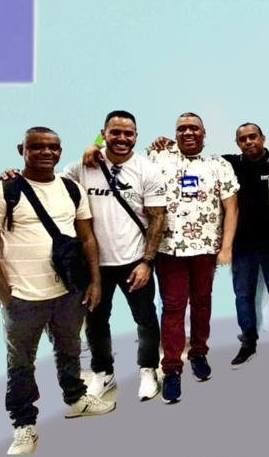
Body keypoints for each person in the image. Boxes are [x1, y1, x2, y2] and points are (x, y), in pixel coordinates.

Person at [0, 127, 113, 455]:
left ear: (60, 151)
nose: (46, 152)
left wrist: (94, 282)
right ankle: (24, 424)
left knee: (69, 349)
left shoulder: (71, 189)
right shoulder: (1, 192)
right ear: (21, 149)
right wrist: (7, 297)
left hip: (68, 292)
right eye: (37, 146)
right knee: (21, 363)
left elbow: (87, 238)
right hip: (24, 298)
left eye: (53, 147)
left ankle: (76, 398)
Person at [62, 111, 168, 403]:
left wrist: (146, 262)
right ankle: (103, 372)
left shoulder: (147, 170)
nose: (122, 138)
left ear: (136, 136)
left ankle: (148, 370)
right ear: (104, 133)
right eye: (115, 132)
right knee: (96, 321)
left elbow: (158, 218)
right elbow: (49, 187)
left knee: (145, 318)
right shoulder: (82, 167)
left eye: (128, 133)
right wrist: (12, 176)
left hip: (134, 260)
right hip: (94, 264)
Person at [147, 113, 239, 404]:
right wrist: (96, 142)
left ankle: (199, 352)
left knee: (201, 303)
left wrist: (226, 247)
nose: (188, 132)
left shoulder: (218, 165)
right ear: (175, 133)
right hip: (169, 250)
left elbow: (231, 209)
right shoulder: (157, 158)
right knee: (173, 307)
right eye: (182, 128)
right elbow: (110, 156)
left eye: (194, 128)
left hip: (205, 249)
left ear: (204, 133)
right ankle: (172, 368)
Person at [222, 123, 269, 367]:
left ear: (263, 138)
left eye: (253, 137)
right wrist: (167, 145)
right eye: (243, 139)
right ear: (237, 143)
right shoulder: (229, 164)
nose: (248, 142)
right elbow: (197, 158)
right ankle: (248, 342)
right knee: (243, 295)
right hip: (242, 245)